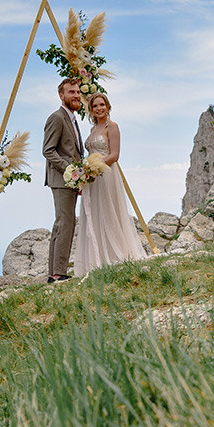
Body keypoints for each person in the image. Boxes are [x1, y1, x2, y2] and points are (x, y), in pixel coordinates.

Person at [73, 92, 148, 274]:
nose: (99, 108)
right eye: (95, 106)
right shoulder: (92, 131)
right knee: (94, 213)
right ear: (91, 110)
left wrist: (95, 167)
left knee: (108, 211)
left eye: (102, 105)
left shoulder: (112, 126)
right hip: (92, 178)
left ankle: (115, 254)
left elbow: (114, 155)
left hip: (106, 175)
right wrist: (86, 172)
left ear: (107, 107)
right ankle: (97, 257)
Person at [43, 78, 84, 282]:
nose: (76, 95)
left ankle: (54, 273)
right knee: (65, 223)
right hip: (61, 179)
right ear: (61, 95)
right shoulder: (57, 118)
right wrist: (69, 171)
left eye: (77, 92)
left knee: (63, 223)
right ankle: (59, 273)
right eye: (71, 92)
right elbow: (48, 151)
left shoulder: (73, 119)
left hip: (70, 181)